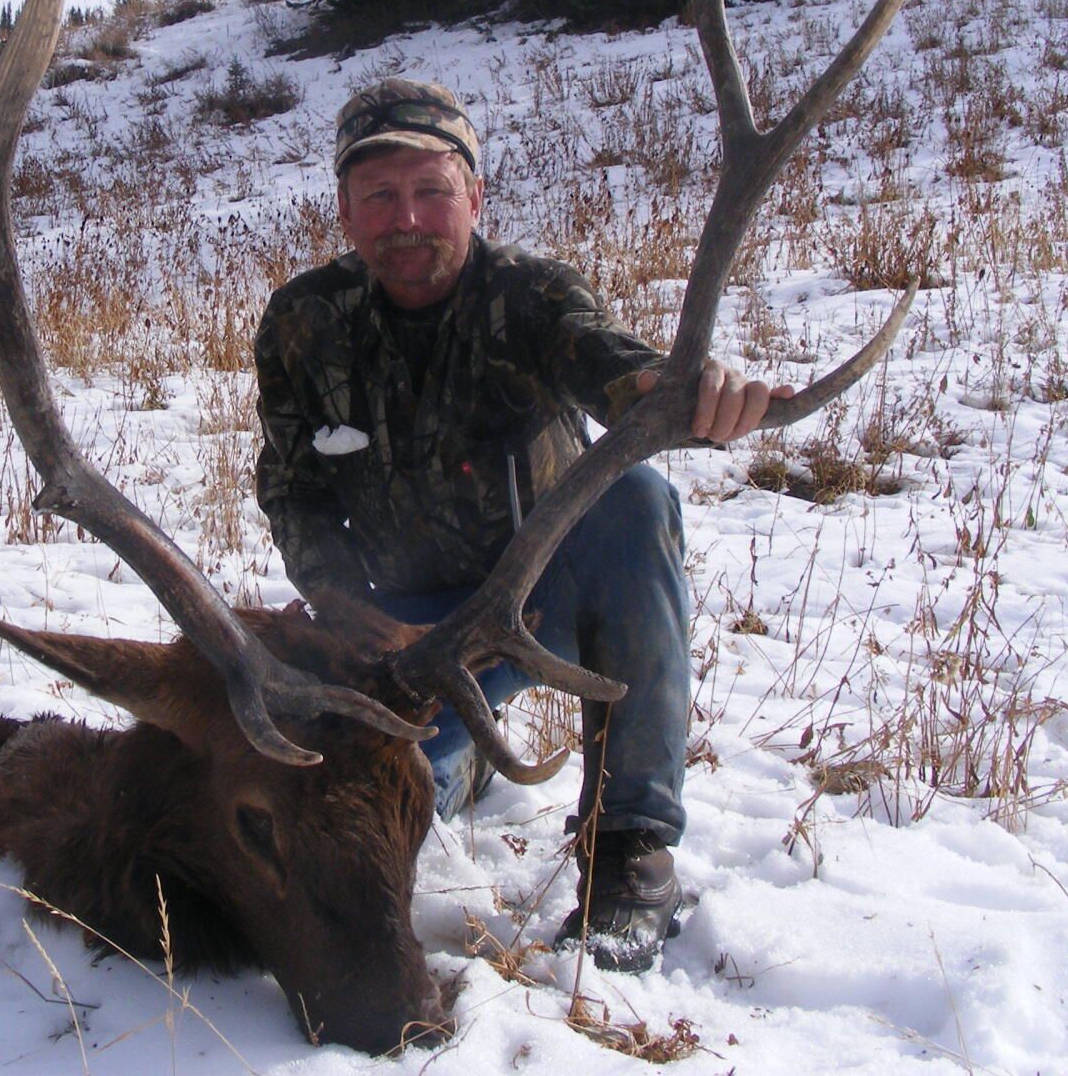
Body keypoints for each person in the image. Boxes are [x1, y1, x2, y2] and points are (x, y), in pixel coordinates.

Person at [253, 77, 789, 973]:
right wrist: (352, 618)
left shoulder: (529, 296)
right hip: (407, 636)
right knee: (372, 801)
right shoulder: (304, 323)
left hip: (543, 596)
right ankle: (459, 768)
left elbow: (609, 364)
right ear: (345, 211)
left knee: (636, 502)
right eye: (380, 196)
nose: (407, 218)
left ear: (475, 197)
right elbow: (292, 489)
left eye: (432, 190)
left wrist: (679, 391)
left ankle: (629, 847)